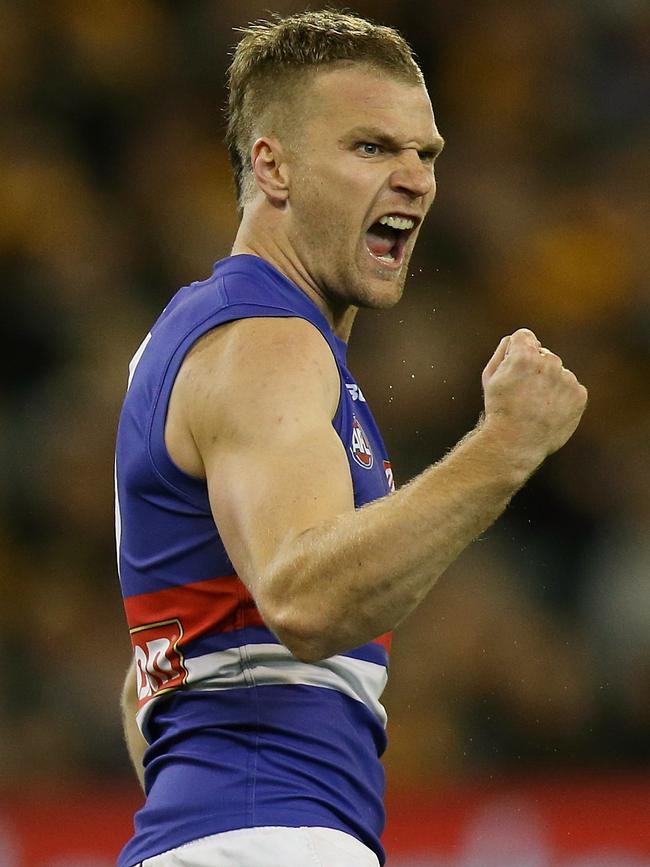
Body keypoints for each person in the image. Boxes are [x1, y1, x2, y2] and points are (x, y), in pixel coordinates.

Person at [115, 10, 588, 867]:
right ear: (274, 164)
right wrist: (506, 444)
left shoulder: (204, 337)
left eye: (427, 153)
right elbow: (304, 600)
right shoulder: (269, 340)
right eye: (372, 148)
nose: (415, 179)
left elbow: (149, 682)